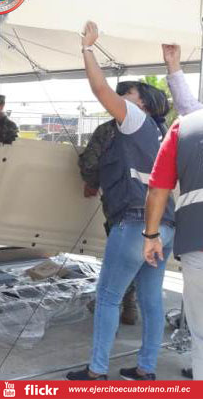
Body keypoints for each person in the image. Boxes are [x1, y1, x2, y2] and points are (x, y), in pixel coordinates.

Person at [67, 22, 174, 381]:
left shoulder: (135, 121)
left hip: (135, 224)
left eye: (128, 94)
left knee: (109, 296)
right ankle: (145, 369)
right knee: (151, 300)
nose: (121, 98)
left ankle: (97, 370)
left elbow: (99, 88)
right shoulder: (161, 133)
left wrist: (87, 49)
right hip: (165, 226)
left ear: (142, 103)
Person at [143, 43, 203, 380]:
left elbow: (158, 188)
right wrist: (174, 67)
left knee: (202, 334)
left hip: (198, 244)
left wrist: (151, 235)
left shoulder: (186, 127)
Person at [79, 119, 138, 326]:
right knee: (138, 252)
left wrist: (92, 182)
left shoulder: (109, 129)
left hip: (118, 200)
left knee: (119, 251)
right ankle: (130, 304)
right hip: (154, 200)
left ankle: (111, 301)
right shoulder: (155, 128)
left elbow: (89, 162)